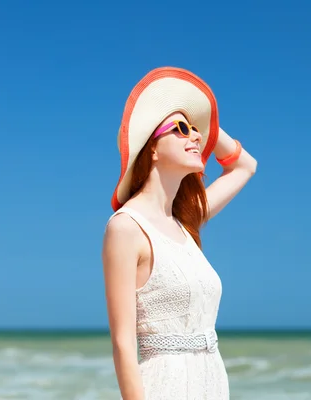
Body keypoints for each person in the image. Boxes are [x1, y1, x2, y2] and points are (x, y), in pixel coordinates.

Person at [101, 67, 257, 400]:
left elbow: (245, 165)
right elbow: (123, 344)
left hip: (212, 384)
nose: (196, 138)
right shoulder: (126, 228)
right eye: (181, 129)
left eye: (196, 131)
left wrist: (204, 125)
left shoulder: (185, 223)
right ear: (152, 148)